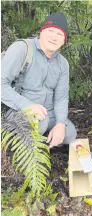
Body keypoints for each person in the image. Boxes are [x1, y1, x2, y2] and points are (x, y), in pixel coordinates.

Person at [2, 12, 77, 148]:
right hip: (19, 110)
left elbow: (61, 97)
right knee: (40, 122)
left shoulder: (62, 64)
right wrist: (27, 106)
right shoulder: (23, 49)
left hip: (48, 112)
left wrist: (60, 124)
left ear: (64, 40)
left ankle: (45, 142)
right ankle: (26, 154)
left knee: (70, 133)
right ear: (41, 32)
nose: (54, 37)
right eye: (51, 31)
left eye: (60, 34)